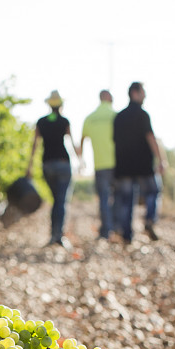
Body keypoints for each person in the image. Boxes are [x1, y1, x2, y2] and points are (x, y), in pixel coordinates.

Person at [26, 90, 81, 247]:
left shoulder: (42, 122)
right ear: (61, 105)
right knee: (61, 201)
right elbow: (72, 142)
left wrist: (29, 167)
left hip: (47, 165)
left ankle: (54, 234)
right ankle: (58, 235)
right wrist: (80, 160)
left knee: (56, 200)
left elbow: (34, 146)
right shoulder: (64, 121)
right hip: (63, 164)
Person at [112, 81, 165, 243]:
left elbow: (114, 141)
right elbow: (150, 138)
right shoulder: (143, 115)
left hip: (124, 165)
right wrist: (161, 159)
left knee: (127, 200)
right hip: (143, 165)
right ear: (135, 93)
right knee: (153, 191)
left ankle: (127, 235)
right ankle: (149, 219)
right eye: (143, 92)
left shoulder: (119, 117)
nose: (145, 96)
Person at [78, 90, 116, 240]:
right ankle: (115, 226)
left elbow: (82, 140)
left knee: (104, 199)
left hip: (99, 164)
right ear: (107, 97)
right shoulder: (115, 115)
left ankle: (106, 230)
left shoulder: (90, 118)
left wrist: (81, 160)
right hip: (116, 164)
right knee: (117, 197)